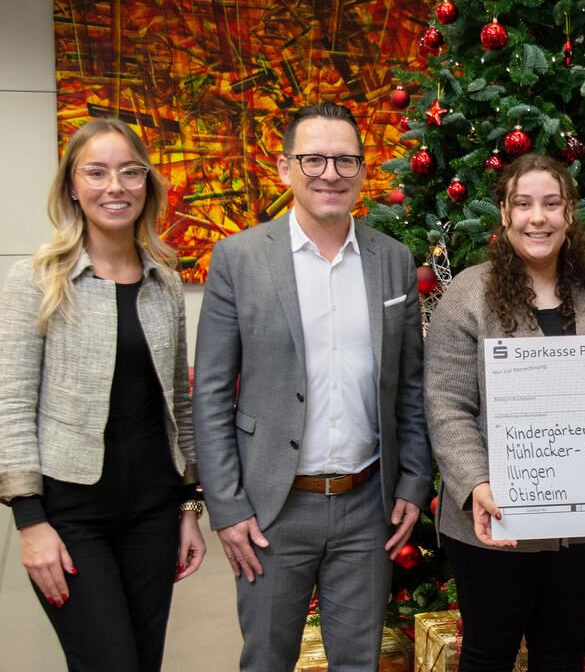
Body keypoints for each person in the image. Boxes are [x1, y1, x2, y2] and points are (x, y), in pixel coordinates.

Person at [193, 102, 433, 670]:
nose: (331, 173)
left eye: (346, 160)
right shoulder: (239, 258)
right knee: (268, 660)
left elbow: (411, 385)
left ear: (361, 170)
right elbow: (210, 396)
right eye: (314, 159)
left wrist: (414, 481)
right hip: (272, 512)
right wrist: (226, 509)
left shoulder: (393, 260)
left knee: (359, 662)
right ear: (285, 168)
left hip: (366, 507)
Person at [0, 117, 205, 670]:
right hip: (71, 515)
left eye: (129, 172)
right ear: (71, 184)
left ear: (146, 184)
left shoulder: (163, 277)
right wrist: (30, 522)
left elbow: (178, 407)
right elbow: (11, 406)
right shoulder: (38, 279)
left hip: (153, 514)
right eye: (96, 172)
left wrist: (190, 507)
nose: (114, 187)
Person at [425, 153, 585, 671]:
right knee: (487, 653)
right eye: (523, 204)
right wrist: (476, 483)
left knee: (562, 653)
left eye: (550, 204)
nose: (536, 218)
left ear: (569, 214)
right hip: (494, 519)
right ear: (504, 213)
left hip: (583, 523)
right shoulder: (468, 294)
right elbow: (447, 401)